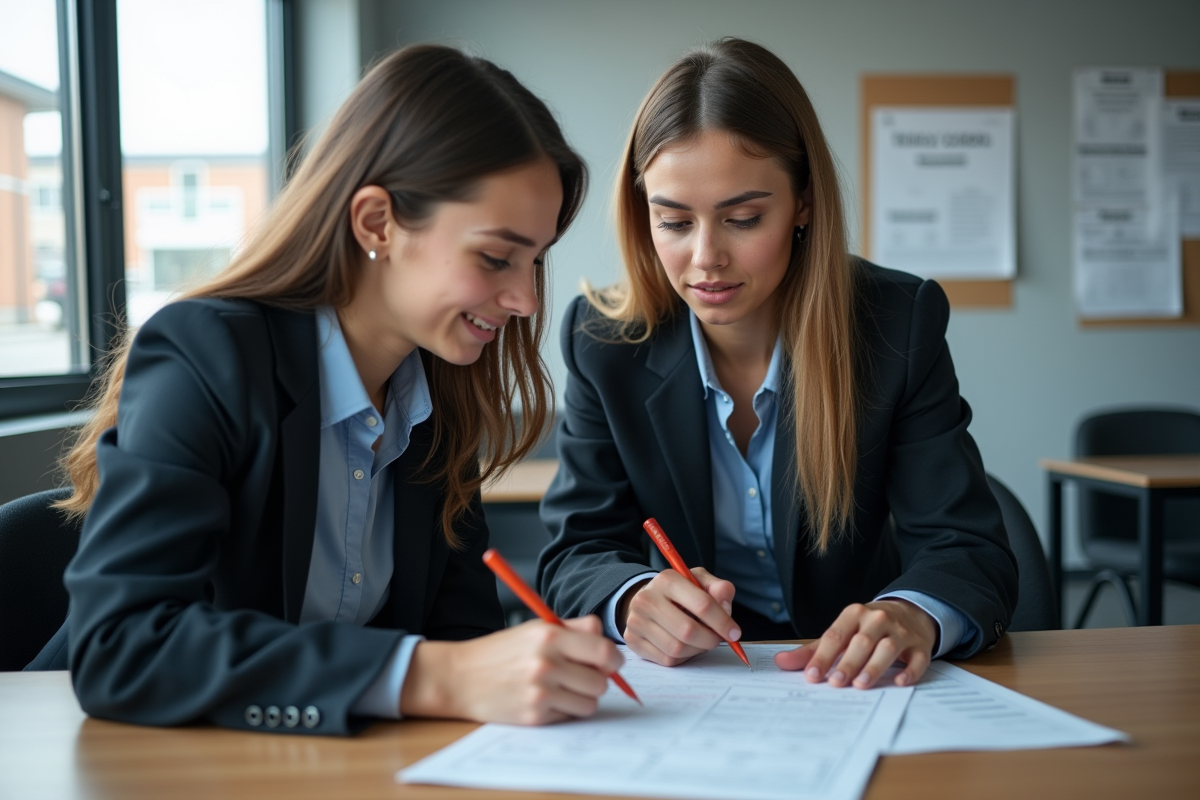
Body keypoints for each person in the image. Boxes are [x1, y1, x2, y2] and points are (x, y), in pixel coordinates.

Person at [36, 44, 624, 734]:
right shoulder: (207, 354)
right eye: (496, 257)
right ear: (376, 223)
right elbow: (121, 648)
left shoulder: (439, 396)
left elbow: (463, 638)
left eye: (535, 260)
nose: (526, 299)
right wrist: (429, 675)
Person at [538, 38, 1018, 691]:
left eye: (743, 218)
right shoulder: (604, 341)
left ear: (804, 203)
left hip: (854, 685)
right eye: (674, 222)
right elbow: (576, 550)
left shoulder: (897, 323)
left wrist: (912, 614)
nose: (706, 258)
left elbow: (968, 549)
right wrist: (631, 599)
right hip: (696, 690)